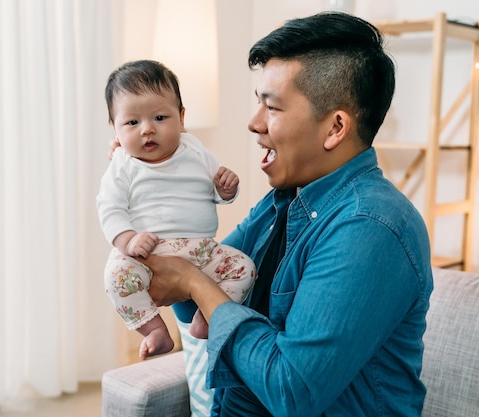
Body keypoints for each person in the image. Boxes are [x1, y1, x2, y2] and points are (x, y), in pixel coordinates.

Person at [141, 12, 434, 416]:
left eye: (272, 107)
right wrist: (153, 179)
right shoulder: (283, 201)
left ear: (335, 128)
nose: (253, 122)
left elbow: (290, 391)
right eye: (257, 102)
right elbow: (187, 298)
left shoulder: (369, 226)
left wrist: (195, 283)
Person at [97, 60, 257, 360]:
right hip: (145, 253)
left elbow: (214, 191)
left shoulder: (194, 149)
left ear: (181, 118)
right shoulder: (122, 163)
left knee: (244, 268)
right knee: (117, 277)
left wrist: (226, 190)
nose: (147, 129)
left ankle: (206, 320)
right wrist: (129, 240)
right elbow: (109, 208)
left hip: (201, 251)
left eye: (159, 117)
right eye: (132, 123)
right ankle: (155, 329)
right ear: (115, 129)